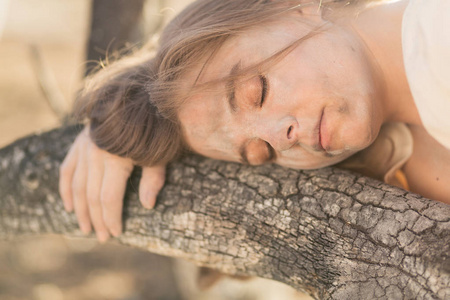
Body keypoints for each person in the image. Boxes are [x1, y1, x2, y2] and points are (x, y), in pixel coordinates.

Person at [59, 0, 450, 243]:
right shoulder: (403, 156)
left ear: (291, 6)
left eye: (257, 92)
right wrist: (115, 135)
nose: (279, 139)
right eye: (259, 152)